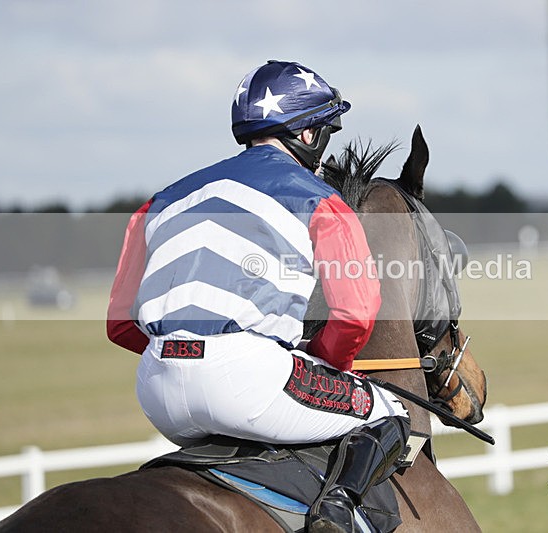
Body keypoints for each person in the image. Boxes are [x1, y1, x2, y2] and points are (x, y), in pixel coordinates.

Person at [107, 60, 409, 533]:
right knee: (391, 412)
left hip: (158, 389)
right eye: (325, 133)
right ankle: (337, 511)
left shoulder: (159, 201)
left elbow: (120, 324)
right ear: (307, 135)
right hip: (246, 380)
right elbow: (356, 312)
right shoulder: (320, 198)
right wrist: (323, 362)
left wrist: (185, 348)